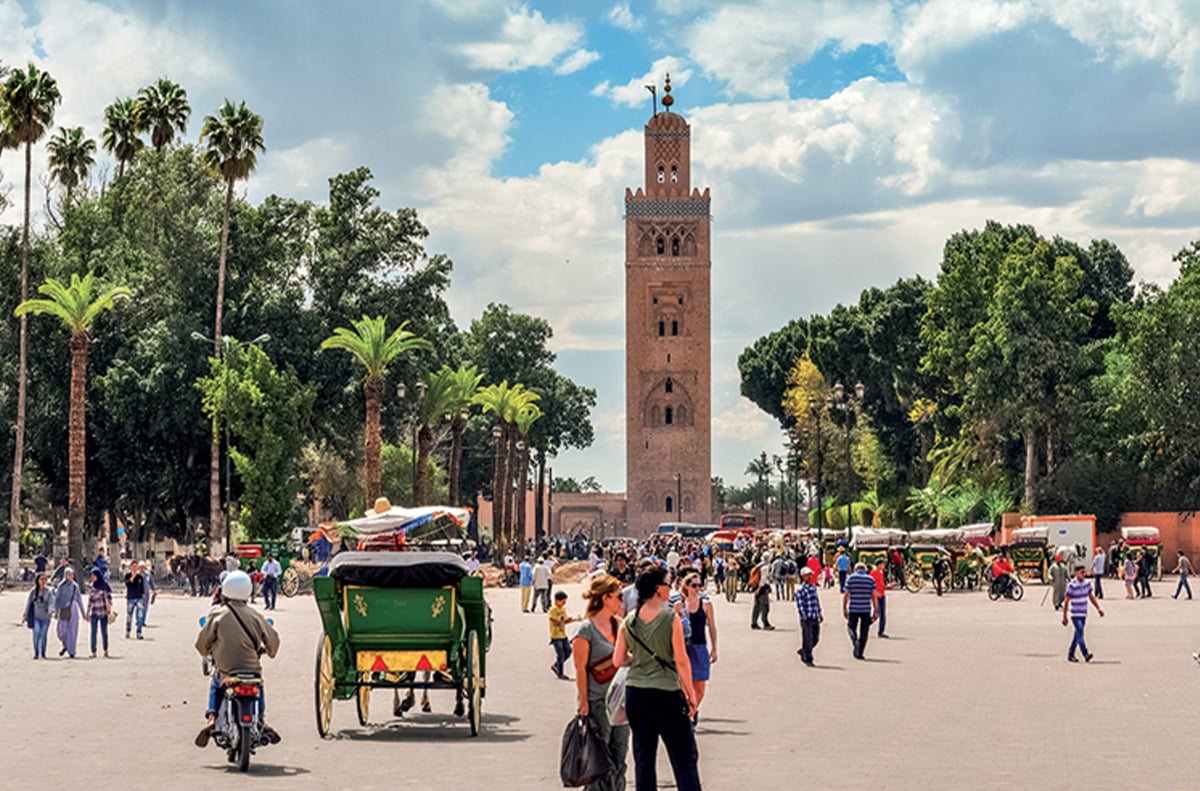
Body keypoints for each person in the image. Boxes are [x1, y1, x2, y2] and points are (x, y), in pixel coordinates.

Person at [613, 565, 702, 791]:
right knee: (684, 756)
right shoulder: (669, 618)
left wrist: (640, 659)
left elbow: (618, 660)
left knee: (644, 758)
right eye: (667, 583)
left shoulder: (630, 620)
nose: (670, 587)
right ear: (657, 590)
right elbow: (681, 660)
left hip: (636, 692)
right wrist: (690, 694)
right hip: (665, 693)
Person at [194, 570, 281, 747]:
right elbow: (273, 641)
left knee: (216, 683)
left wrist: (209, 650)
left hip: (226, 670)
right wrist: (268, 651)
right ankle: (261, 720)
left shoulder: (217, 615)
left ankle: (211, 718)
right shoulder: (256, 616)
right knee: (258, 684)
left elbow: (201, 644)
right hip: (251, 670)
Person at [572, 574, 630, 791]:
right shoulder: (585, 630)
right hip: (597, 701)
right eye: (618, 596)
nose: (621, 601)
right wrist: (583, 702)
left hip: (621, 703)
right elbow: (579, 668)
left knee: (619, 755)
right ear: (605, 598)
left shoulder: (620, 625)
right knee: (598, 759)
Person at [677, 570, 717, 715]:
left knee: (699, 687)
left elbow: (712, 626)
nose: (697, 588)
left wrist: (714, 648)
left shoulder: (706, 604)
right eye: (694, 585)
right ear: (686, 586)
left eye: (699, 585)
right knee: (683, 686)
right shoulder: (680, 605)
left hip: (700, 647)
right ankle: (686, 715)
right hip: (684, 647)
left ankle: (692, 710)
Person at [1063, 562, 1104, 662]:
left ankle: (1071, 653)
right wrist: (1064, 616)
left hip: (1083, 613)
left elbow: (1091, 597)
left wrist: (1098, 608)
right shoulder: (1072, 585)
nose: (1084, 574)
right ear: (1076, 573)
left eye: (1084, 572)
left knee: (1077, 634)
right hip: (1075, 614)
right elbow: (1066, 601)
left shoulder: (1087, 584)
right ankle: (1085, 653)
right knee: (1080, 632)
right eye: (1081, 572)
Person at [842, 562, 879, 660]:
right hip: (866, 609)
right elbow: (874, 596)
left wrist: (844, 608)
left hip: (854, 608)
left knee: (851, 627)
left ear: (855, 569)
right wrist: (876, 610)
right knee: (864, 631)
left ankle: (855, 641)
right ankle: (860, 652)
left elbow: (846, 594)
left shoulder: (851, 578)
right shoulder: (870, 579)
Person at [54, 567, 85, 658]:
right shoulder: (61, 586)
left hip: (73, 609)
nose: (71, 576)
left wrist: (83, 613)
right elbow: (57, 599)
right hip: (63, 609)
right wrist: (56, 611)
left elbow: (79, 600)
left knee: (72, 631)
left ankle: (71, 650)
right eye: (69, 575)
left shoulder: (75, 586)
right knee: (62, 632)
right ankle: (65, 645)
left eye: (72, 575)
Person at [795, 566, 822, 666]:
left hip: (814, 616)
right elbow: (800, 604)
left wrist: (819, 613)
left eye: (810, 575)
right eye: (807, 575)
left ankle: (803, 651)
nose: (810, 577)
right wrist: (804, 616)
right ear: (803, 577)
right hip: (806, 617)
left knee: (815, 638)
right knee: (807, 638)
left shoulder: (813, 588)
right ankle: (808, 658)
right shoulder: (801, 590)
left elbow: (816, 601)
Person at [23, 572, 54, 659]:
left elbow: (51, 602)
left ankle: (43, 652)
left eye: (45, 579)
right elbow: (29, 603)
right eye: (42, 579)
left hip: (45, 617)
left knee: (43, 634)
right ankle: (36, 652)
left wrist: (51, 611)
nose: (43, 581)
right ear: (38, 580)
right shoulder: (33, 591)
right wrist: (25, 614)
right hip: (35, 616)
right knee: (36, 633)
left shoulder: (49, 591)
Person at [548, 590, 576, 679]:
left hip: (563, 634)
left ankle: (556, 665)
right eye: (563, 601)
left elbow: (565, 620)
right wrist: (564, 621)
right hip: (556, 635)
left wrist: (573, 619)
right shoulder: (553, 610)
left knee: (568, 651)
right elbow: (554, 621)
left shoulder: (562, 609)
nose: (564, 603)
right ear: (557, 601)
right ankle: (560, 673)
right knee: (560, 654)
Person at [87, 568, 113, 658]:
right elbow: (90, 600)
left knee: (104, 632)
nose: (92, 577)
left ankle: (105, 649)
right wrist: (87, 612)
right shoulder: (91, 586)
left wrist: (109, 606)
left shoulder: (104, 585)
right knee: (93, 632)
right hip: (94, 611)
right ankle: (93, 651)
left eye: (93, 575)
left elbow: (109, 597)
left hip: (103, 611)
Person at [124, 561, 147, 639]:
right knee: (129, 616)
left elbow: (142, 589)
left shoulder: (140, 577)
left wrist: (143, 600)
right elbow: (128, 584)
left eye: (136, 567)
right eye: (133, 566)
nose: (135, 568)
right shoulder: (127, 575)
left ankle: (139, 632)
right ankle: (128, 630)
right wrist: (133, 576)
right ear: (130, 567)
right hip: (130, 598)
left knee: (140, 615)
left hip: (139, 598)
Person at [751, 555, 774, 630]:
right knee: (765, 606)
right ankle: (765, 623)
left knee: (756, 606)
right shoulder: (766, 567)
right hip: (762, 588)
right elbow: (763, 579)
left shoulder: (759, 565)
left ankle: (754, 623)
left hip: (756, 586)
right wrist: (759, 588)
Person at [870, 558, 888, 638]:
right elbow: (870, 584)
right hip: (876, 596)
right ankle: (866, 625)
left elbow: (882, 584)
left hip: (882, 595)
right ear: (879, 565)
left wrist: (887, 587)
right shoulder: (873, 573)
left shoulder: (881, 573)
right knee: (877, 614)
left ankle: (881, 631)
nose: (884, 566)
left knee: (882, 614)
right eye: (883, 564)